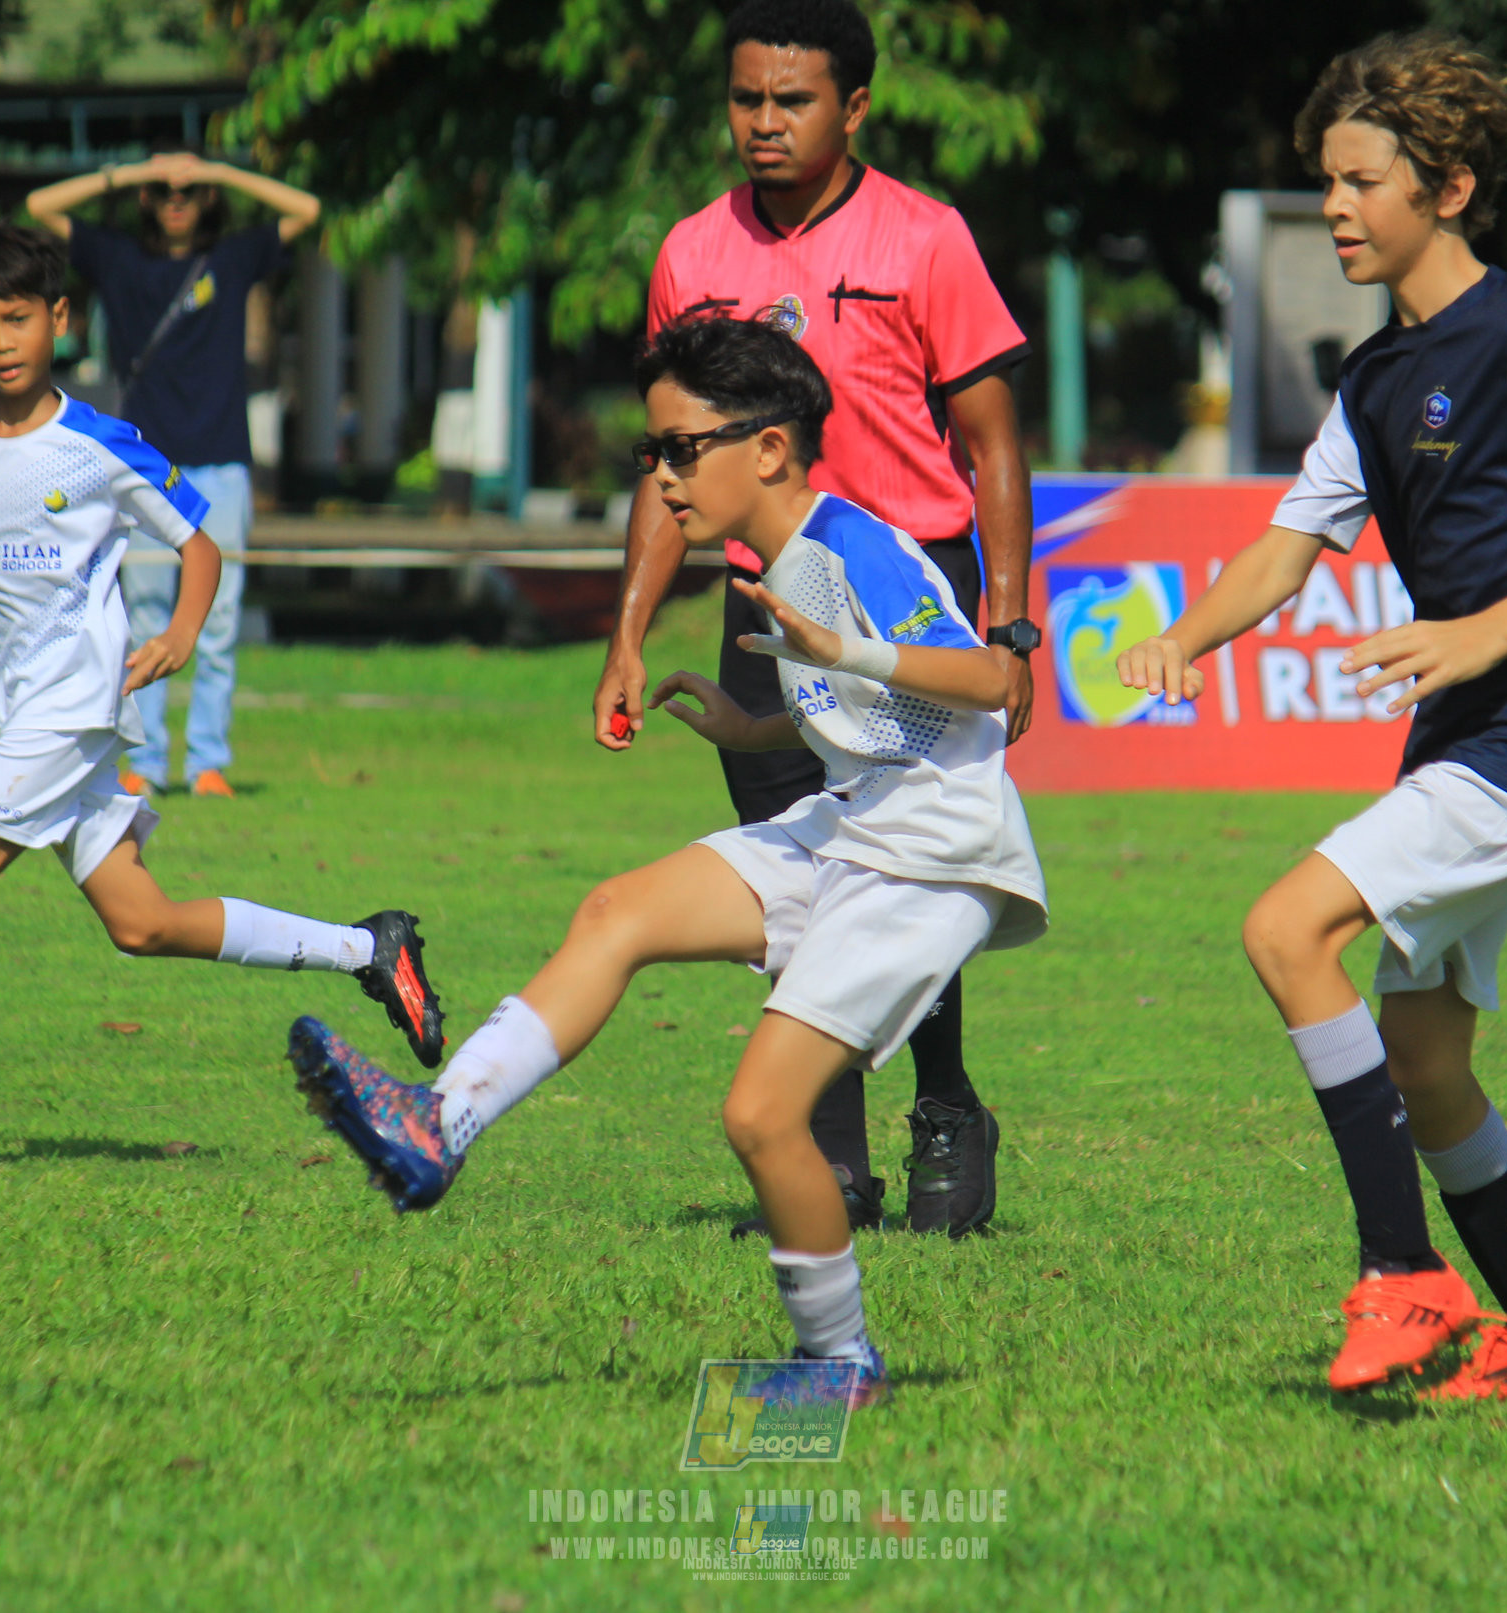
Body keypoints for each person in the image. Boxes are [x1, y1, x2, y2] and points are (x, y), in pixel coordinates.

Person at [284, 316, 1046, 1399]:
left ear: (770, 449)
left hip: (931, 853)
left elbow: (988, 685)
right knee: (617, 910)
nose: (662, 477)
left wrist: (841, 649)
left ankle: (839, 1363)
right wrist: (757, 729)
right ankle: (436, 1121)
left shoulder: (850, 545)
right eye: (651, 453)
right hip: (855, 818)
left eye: (681, 449)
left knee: (761, 1113)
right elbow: (872, 709)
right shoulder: (782, 564)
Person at [1118, 32, 1507, 1399]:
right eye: (1323, 181)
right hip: (1463, 736)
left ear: (1446, 185)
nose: (1331, 207)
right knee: (1424, 1059)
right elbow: (1286, 544)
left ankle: (1401, 1272)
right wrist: (1182, 637)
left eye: (1357, 180)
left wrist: (1484, 631)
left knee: (1282, 928)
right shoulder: (1373, 382)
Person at [0, 223, 442, 1175]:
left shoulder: (100, 445)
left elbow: (201, 544)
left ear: (59, 318)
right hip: (30, 711)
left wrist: (182, 630)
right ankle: (370, 949)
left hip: (75, 705)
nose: (1, 341)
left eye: (18, 319)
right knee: (141, 924)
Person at [592, 0, 1040, 1240]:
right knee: (803, 869)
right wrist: (630, 632)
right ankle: (827, 1156)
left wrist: (1008, 630)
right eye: (745, 100)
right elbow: (667, 460)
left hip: (912, 593)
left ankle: (944, 1102)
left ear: (852, 107)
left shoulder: (927, 238)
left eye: (791, 102)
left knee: (912, 861)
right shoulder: (691, 251)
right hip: (772, 597)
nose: (764, 124)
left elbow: (993, 442)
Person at [26, 152, 321, 800]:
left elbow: (307, 210)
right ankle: (147, 760)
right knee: (145, 614)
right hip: (146, 465)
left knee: (217, 619)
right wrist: (132, 173)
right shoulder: (120, 259)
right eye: (163, 192)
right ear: (145, 200)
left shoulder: (232, 259)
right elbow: (41, 207)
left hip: (222, 462)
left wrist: (216, 171)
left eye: (187, 193)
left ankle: (207, 761)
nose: (175, 201)